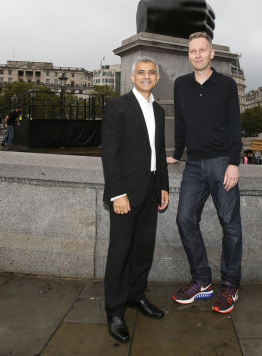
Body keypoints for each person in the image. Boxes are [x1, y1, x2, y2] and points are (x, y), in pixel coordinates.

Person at [167, 31, 242, 315]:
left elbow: (235, 124)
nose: (197, 54)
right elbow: (182, 124)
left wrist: (234, 162)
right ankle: (202, 281)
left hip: (223, 161)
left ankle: (231, 284)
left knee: (230, 225)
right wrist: (177, 152)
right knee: (185, 218)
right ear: (189, 56)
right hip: (195, 165)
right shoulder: (180, 85)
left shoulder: (226, 85)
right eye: (193, 51)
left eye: (202, 50)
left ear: (212, 54)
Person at [101, 57, 169, 342]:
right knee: (119, 253)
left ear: (157, 78)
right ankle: (115, 311)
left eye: (151, 73)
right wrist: (117, 193)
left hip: (151, 190)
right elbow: (110, 153)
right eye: (140, 72)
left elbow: (159, 149)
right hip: (125, 194)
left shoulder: (160, 110)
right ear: (131, 77)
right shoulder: (117, 107)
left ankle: (135, 296)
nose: (146, 76)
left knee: (143, 249)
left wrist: (163, 185)